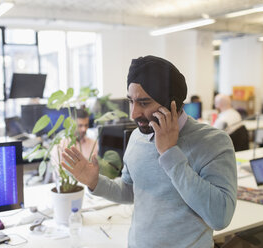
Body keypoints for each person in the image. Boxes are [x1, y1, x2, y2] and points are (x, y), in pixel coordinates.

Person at [60, 55, 237, 247]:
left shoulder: (213, 142)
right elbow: (130, 190)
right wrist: (95, 182)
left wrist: (169, 153)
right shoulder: (138, 137)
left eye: (144, 103)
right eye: (131, 101)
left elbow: (220, 217)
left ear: (172, 104)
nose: (134, 113)